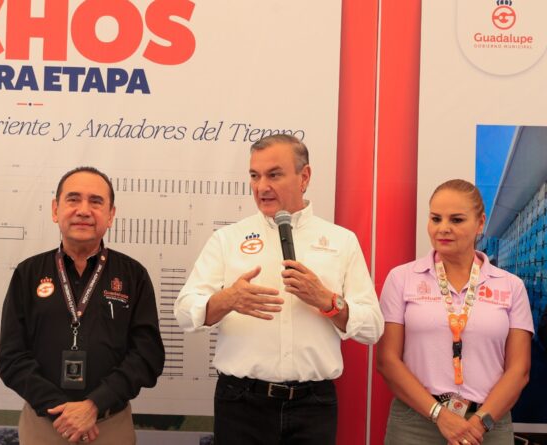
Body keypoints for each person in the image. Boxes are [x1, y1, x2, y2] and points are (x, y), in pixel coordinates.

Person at [174, 134, 384, 444]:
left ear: (304, 177)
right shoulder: (227, 239)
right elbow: (184, 312)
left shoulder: (342, 241)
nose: (261, 187)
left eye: (274, 175)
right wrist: (227, 299)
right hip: (241, 403)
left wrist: (327, 300)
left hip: (313, 406)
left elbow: (373, 328)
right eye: (254, 176)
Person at [0, 166, 164, 444]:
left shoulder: (133, 275)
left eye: (96, 202)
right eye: (73, 199)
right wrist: (61, 409)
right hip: (44, 426)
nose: (84, 210)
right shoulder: (28, 273)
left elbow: (147, 356)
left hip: (109, 425)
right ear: (55, 210)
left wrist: (95, 404)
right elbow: (11, 358)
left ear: (110, 215)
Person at [377, 179, 532, 445]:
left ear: (480, 223)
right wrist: (440, 416)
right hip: (416, 423)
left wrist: (479, 424)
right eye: (435, 218)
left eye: (457, 220)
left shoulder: (510, 286)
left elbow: (519, 370)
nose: (443, 228)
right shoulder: (401, 278)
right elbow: (387, 360)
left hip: (488, 424)